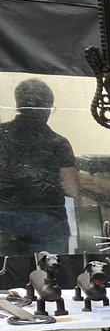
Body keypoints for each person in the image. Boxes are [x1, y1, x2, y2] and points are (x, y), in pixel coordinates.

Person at [0, 78, 79, 259]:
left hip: (5, 218)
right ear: (47, 107)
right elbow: (71, 188)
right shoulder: (58, 142)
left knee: (9, 274)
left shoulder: (1, 135)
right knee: (50, 275)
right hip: (48, 220)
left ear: (18, 104)